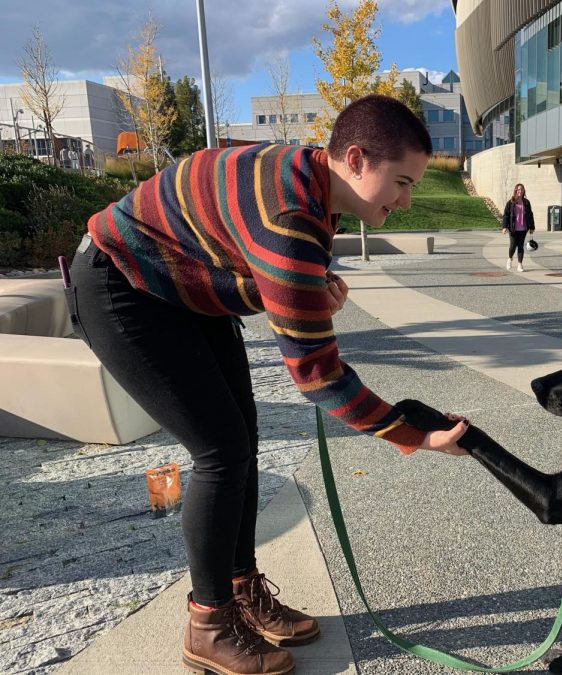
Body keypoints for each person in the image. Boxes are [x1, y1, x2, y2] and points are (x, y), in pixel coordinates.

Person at [66, 94, 469, 675]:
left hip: (178, 288)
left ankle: (239, 592)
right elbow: (317, 373)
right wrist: (413, 436)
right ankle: (207, 624)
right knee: (220, 450)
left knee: (242, 440)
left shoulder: (313, 187)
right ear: (354, 158)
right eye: (401, 182)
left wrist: (306, 285)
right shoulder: (292, 218)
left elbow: (250, 260)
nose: (406, 201)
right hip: (122, 285)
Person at [501, 183, 535, 272]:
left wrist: (532, 227)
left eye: (522, 189)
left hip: (523, 228)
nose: (520, 191)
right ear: (516, 190)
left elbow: (530, 215)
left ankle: (520, 265)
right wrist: (505, 227)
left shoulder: (526, 202)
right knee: (512, 245)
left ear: (523, 191)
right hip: (513, 228)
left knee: (520, 246)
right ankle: (510, 258)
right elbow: (506, 215)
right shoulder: (511, 202)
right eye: (518, 189)